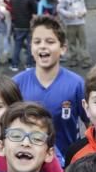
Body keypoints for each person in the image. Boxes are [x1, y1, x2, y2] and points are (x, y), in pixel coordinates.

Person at [14, 16, 89, 160]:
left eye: (50, 41)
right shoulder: (17, 84)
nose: (43, 46)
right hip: (28, 162)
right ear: (31, 47)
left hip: (68, 164)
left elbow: (90, 124)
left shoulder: (76, 84)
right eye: (37, 42)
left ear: (63, 49)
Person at [58, 0, 90, 69]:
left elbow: (83, 6)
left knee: (83, 42)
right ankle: (72, 59)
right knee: (71, 42)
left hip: (80, 22)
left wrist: (84, 12)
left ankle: (86, 60)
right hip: (70, 24)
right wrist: (67, 14)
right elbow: (60, 8)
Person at [9, 0, 37, 71]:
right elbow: (35, 10)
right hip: (28, 24)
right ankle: (29, 64)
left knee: (17, 45)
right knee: (30, 45)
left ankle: (14, 65)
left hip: (17, 25)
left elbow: (12, 9)